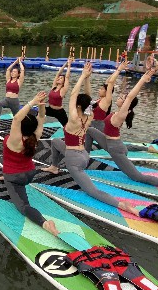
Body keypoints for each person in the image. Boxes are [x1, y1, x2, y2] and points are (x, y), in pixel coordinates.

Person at [41, 63, 141, 216]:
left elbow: (74, 94)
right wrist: (86, 77)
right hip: (84, 156)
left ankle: (121, 204)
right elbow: (84, 99)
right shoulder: (89, 117)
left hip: (74, 160)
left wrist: (82, 76)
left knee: (91, 191)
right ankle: (54, 166)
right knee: (55, 142)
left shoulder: (74, 118)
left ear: (78, 106)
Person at [86, 58, 158, 194]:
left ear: (127, 105)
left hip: (116, 149)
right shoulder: (115, 111)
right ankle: (85, 158)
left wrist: (144, 78)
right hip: (109, 142)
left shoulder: (120, 115)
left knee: (137, 177)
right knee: (89, 130)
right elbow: (116, 88)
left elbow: (131, 96)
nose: (120, 97)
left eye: (123, 97)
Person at [0, 91, 60, 236]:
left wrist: (33, 101)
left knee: (23, 207)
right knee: (12, 174)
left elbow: (16, 119)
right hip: (30, 173)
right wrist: (41, 105)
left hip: (15, 177)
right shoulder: (35, 136)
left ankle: (45, 224)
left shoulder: (14, 138)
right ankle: (7, 178)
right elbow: (42, 117)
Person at [84, 60, 128, 152]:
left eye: (101, 89)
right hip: (90, 124)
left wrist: (119, 70)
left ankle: (145, 148)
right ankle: (86, 154)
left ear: (106, 91)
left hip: (99, 126)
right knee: (87, 142)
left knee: (112, 146)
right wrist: (86, 77)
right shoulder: (97, 100)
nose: (99, 90)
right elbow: (87, 94)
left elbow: (110, 83)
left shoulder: (107, 101)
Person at [0, 57, 25, 123]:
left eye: (15, 72)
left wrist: (20, 62)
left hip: (14, 102)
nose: (12, 73)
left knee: (16, 118)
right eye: (12, 72)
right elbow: (8, 69)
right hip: (6, 100)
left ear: (18, 74)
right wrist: (15, 62)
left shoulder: (19, 81)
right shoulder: (8, 80)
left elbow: (22, 70)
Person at [45, 57, 73, 127]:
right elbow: (58, 73)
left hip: (59, 112)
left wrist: (69, 65)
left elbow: (67, 77)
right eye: (59, 78)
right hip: (50, 109)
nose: (58, 78)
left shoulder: (63, 90)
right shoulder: (54, 86)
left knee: (66, 126)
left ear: (63, 82)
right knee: (37, 112)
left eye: (61, 78)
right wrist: (65, 63)